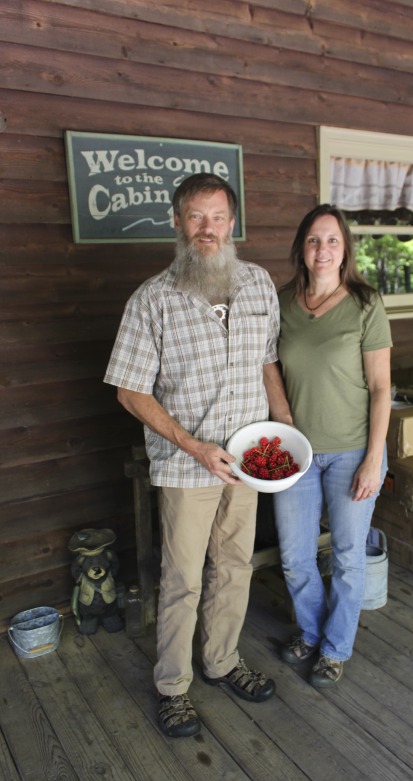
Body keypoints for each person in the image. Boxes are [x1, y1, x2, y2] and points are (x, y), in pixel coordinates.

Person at [104, 173, 292, 737]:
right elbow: (129, 390)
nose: (206, 228)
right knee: (183, 576)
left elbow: (267, 362)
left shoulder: (258, 284)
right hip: (187, 466)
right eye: (195, 217)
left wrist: (282, 422)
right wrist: (191, 444)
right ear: (178, 224)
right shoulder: (153, 299)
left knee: (235, 564)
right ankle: (173, 687)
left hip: (250, 458)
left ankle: (222, 661)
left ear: (232, 223)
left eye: (216, 217)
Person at [273, 203, 392, 688]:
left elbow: (382, 387)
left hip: (352, 452)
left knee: (347, 555)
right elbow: (267, 366)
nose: (323, 249)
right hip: (295, 453)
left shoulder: (366, 303)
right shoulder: (281, 302)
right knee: (295, 556)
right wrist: (283, 422)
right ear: (302, 249)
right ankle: (311, 629)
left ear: (345, 250)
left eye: (333, 240)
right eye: (314, 240)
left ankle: (335, 648)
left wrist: (372, 460)